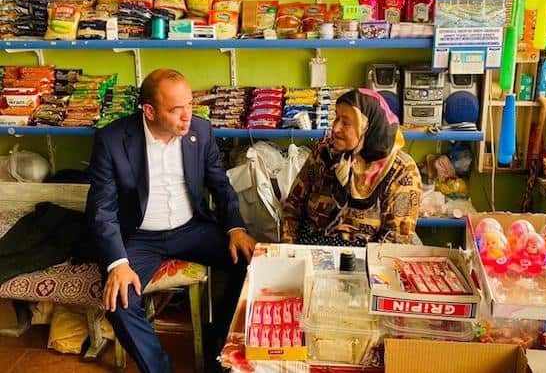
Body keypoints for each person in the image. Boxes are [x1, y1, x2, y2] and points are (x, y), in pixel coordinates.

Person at [86, 69, 255, 373]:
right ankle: (159, 368)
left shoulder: (200, 131)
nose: (187, 115)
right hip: (140, 237)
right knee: (119, 302)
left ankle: (221, 342)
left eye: (189, 104)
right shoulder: (112, 139)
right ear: (149, 111)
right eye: (176, 109)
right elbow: (102, 208)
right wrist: (118, 264)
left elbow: (221, 185)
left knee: (252, 263)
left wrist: (236, 228)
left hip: (192, 228)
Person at [282, 88, 423, 246]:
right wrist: (289, 251)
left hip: (367, 257)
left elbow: (396, 241)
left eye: (346, 123)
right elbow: (292, 207)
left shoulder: (402, 171)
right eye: (336, 118)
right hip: (310, 249)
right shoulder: (324, 152)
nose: (335, 128)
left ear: (368, 127)